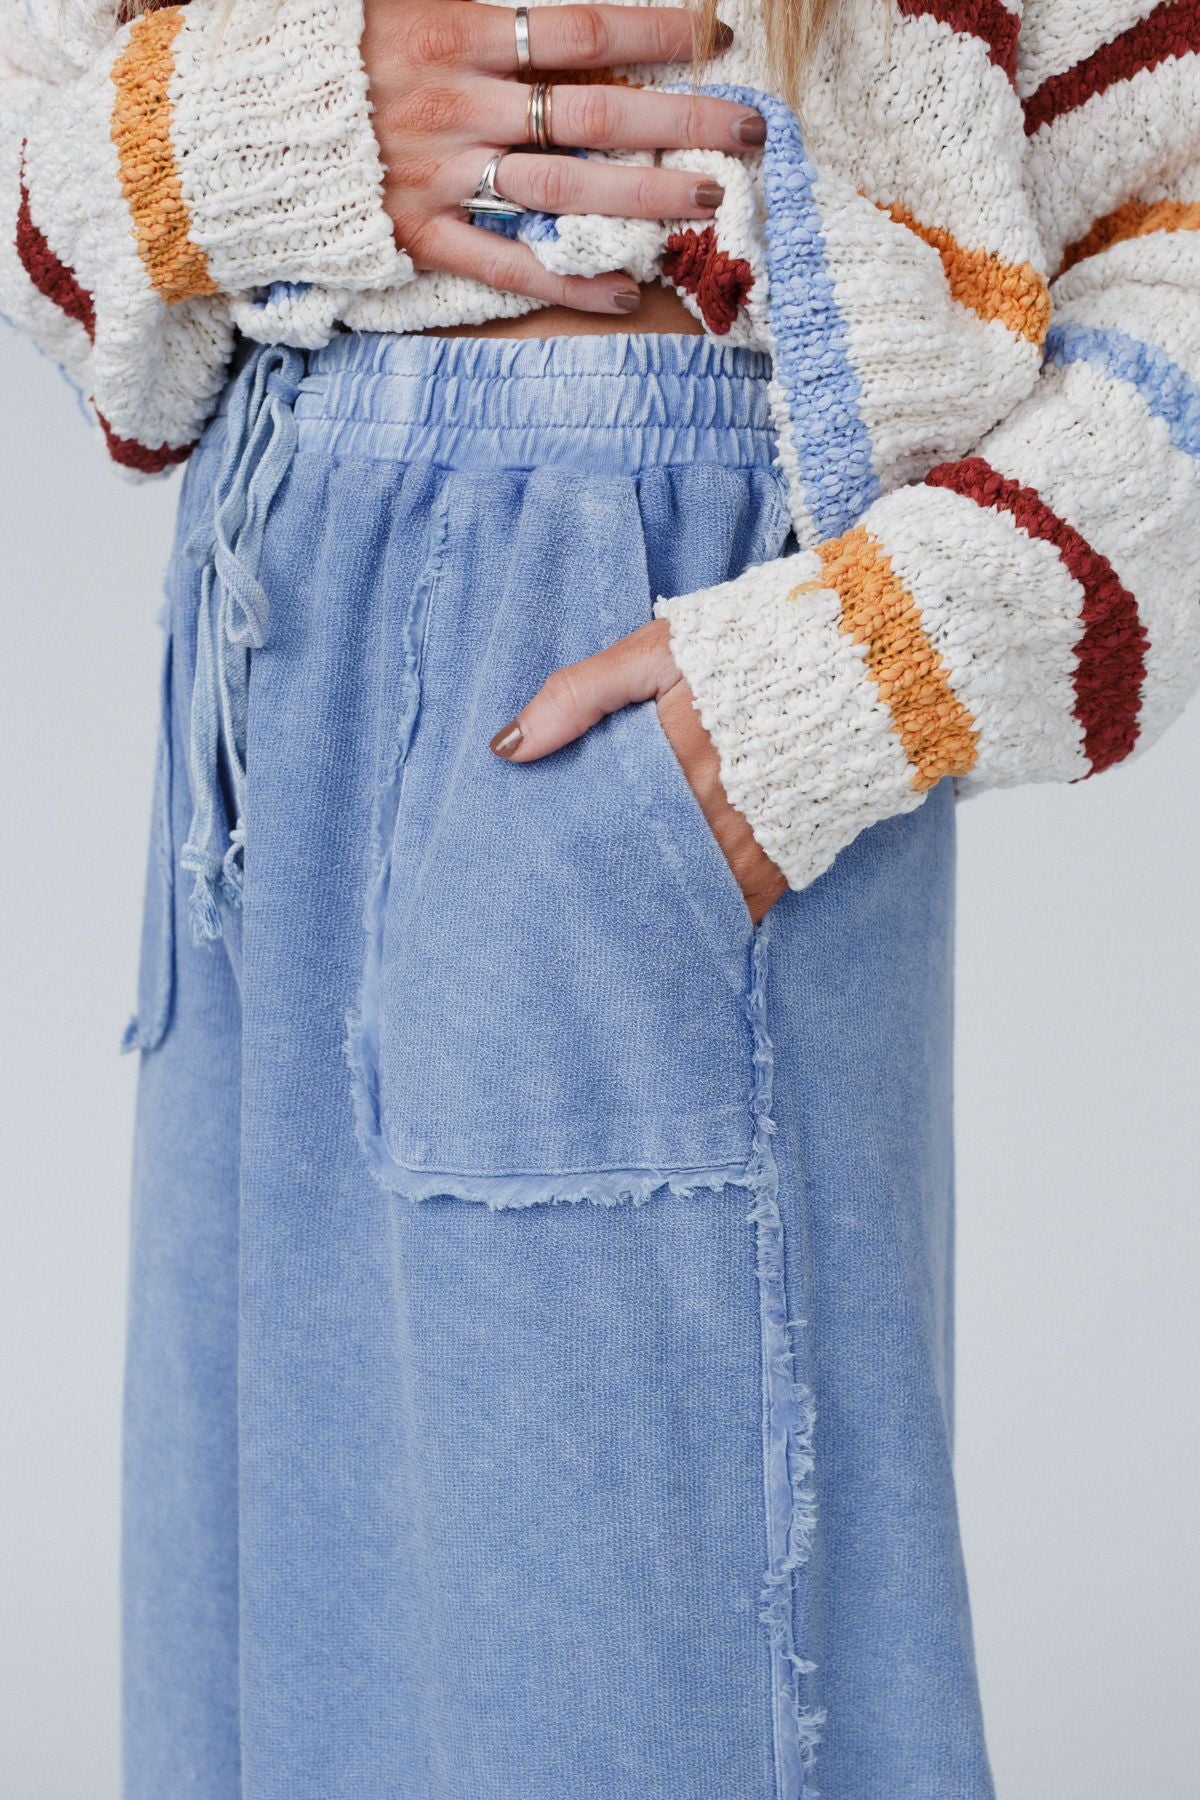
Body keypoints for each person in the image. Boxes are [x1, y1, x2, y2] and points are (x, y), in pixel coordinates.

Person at [3, 0, 1197, 1794]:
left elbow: (1174, 207)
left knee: (646, 1690)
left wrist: (859, 675)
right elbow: (31, 131)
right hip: (268, 642)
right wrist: (263, 127)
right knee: (271, 1670)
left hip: (656, 621)